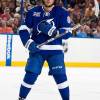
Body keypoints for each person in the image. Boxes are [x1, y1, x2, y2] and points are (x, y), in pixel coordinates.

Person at [18, 0, 72, 100]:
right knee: (31, 74)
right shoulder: (33, 12)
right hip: (37, 50)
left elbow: (68, 33)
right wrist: (28, 43)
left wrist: (55, 32)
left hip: (55, 51)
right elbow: (23, 30)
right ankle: (21, 98)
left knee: (60, 76)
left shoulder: (62, 12)